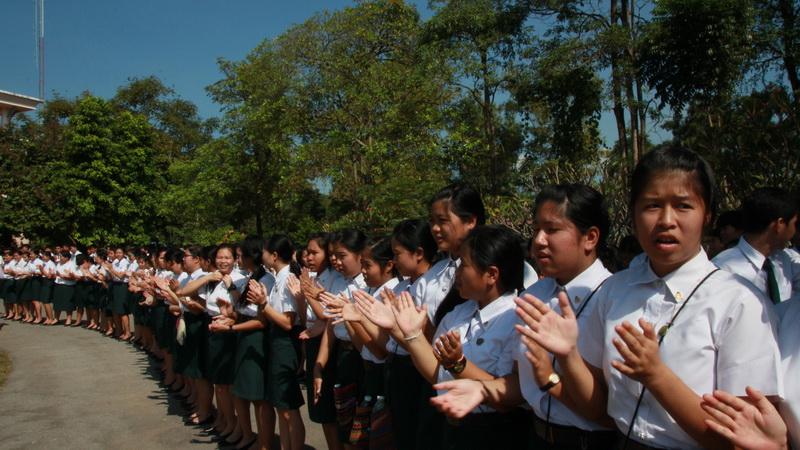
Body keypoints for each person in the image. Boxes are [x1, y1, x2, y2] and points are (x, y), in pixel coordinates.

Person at [519, 146, 783, 449]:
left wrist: (656, 375)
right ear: (633, 215)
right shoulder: (614, 291)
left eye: (683, 206)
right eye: (652, 206)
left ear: (707, 216)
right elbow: (598, 409)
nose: (666, 220)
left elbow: (741, 438)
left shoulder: (739, 303)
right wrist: (569, 356)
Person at [431, 183, 617, 449]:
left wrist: (549, 379)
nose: (539, 240)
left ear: (590, 237)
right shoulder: (535, 296)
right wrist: (483, 388)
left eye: (551, 230)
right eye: (536, 229)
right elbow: (519, 383)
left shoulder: (612, 299)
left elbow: (608, 412)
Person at [392, 225, 528, 449]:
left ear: (492, 274)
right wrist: (412, 334)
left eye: (464, 264)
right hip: (452, 427)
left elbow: (506, 396)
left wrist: (458, 364)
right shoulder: (459, 314)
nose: (457, 273)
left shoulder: (516, 319)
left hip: (494, 432)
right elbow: (437, 374)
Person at [713, 187, 800, 304]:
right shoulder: (723, 269)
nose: (795, 231)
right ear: (779, 225)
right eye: (795, 224)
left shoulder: (784, 260)